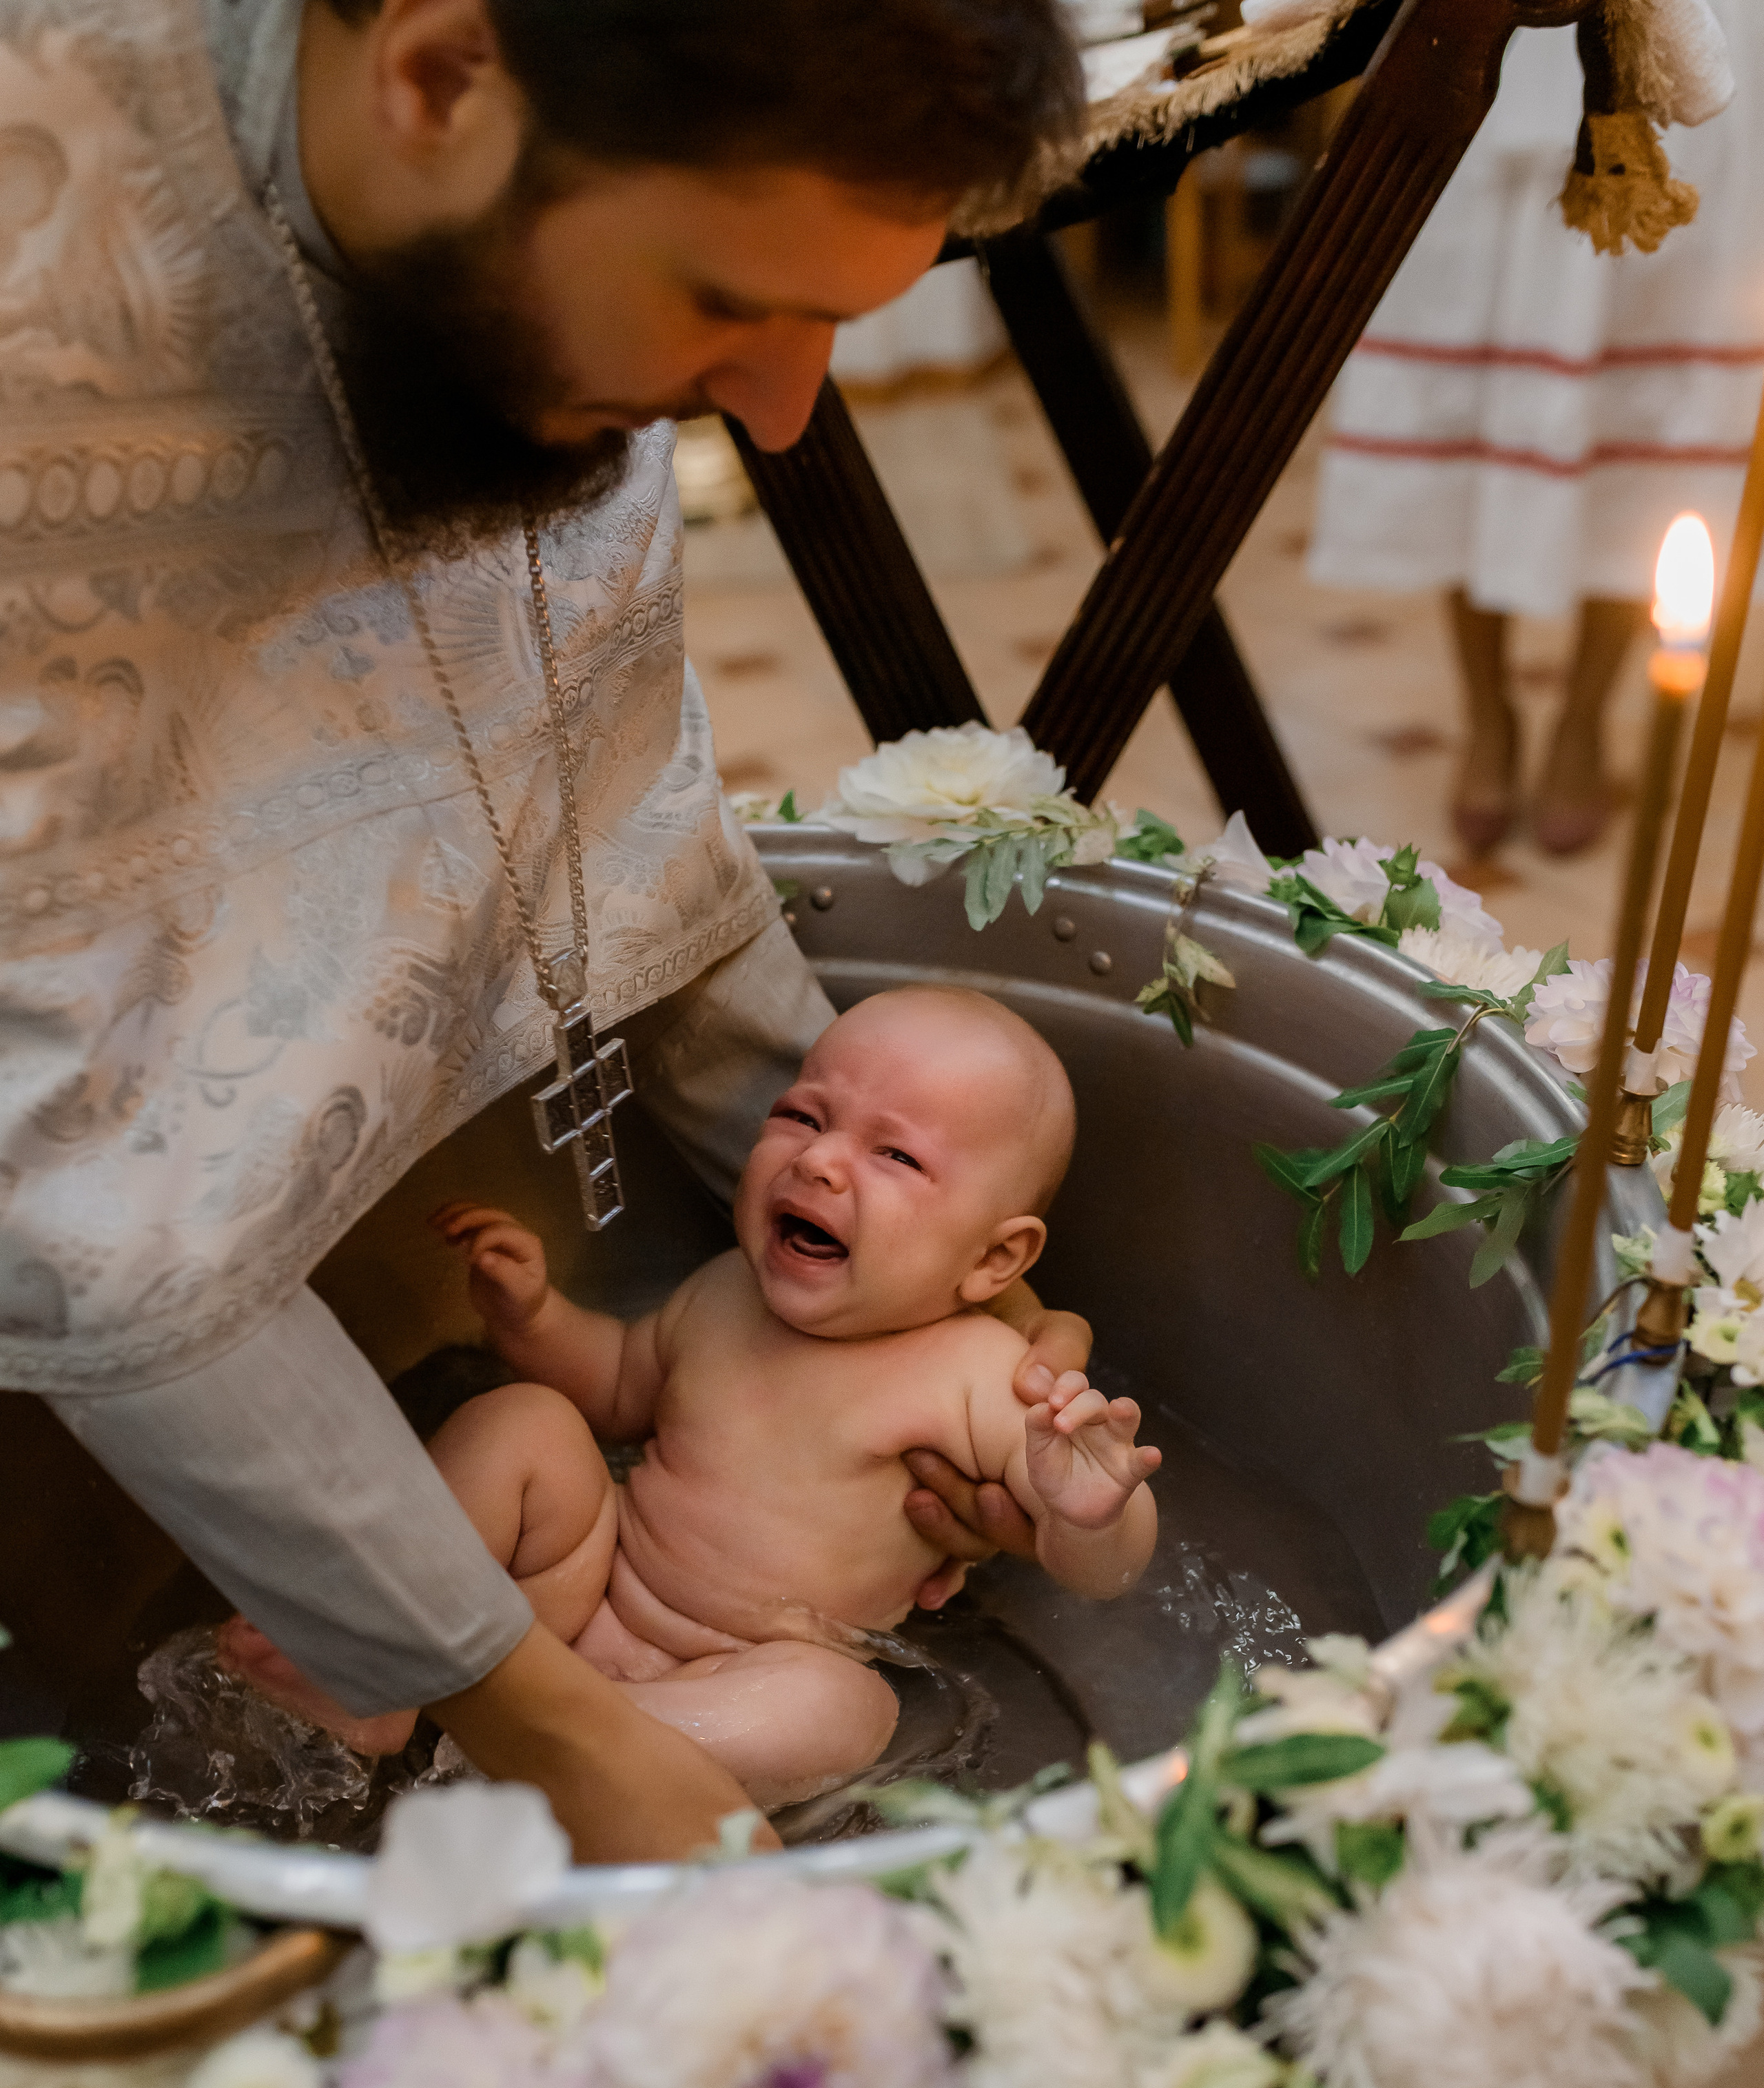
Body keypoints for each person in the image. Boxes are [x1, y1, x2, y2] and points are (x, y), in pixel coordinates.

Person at [0, 0, 1089, 1860]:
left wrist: (980, 1321)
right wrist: (541, 1718)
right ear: (435, 74)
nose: (787, 409)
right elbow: (67, 1121)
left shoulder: (511, 224)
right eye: (727, 297)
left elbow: (582, 785)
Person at [220, 988, 1162, 1804]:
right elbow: (620, 1388)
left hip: (737, 1676)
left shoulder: (981, 1375)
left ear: (996, 1257)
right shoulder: (726, 1291)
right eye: (801, 1115)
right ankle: (385, 1652)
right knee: (529, 1421)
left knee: (843, 1705)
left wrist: (1090, 1513)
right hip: (581, 1590)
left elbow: (1103, 1570)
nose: (820, 1162)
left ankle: (553, 1735)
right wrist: (536, 1320)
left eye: (897, 1157)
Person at [1309, 5, 1762, 857]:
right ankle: (1488, 710)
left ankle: (1583, 716)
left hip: (1680, 45)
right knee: (1478, 400)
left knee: (1635, 409)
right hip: (1480, 38)